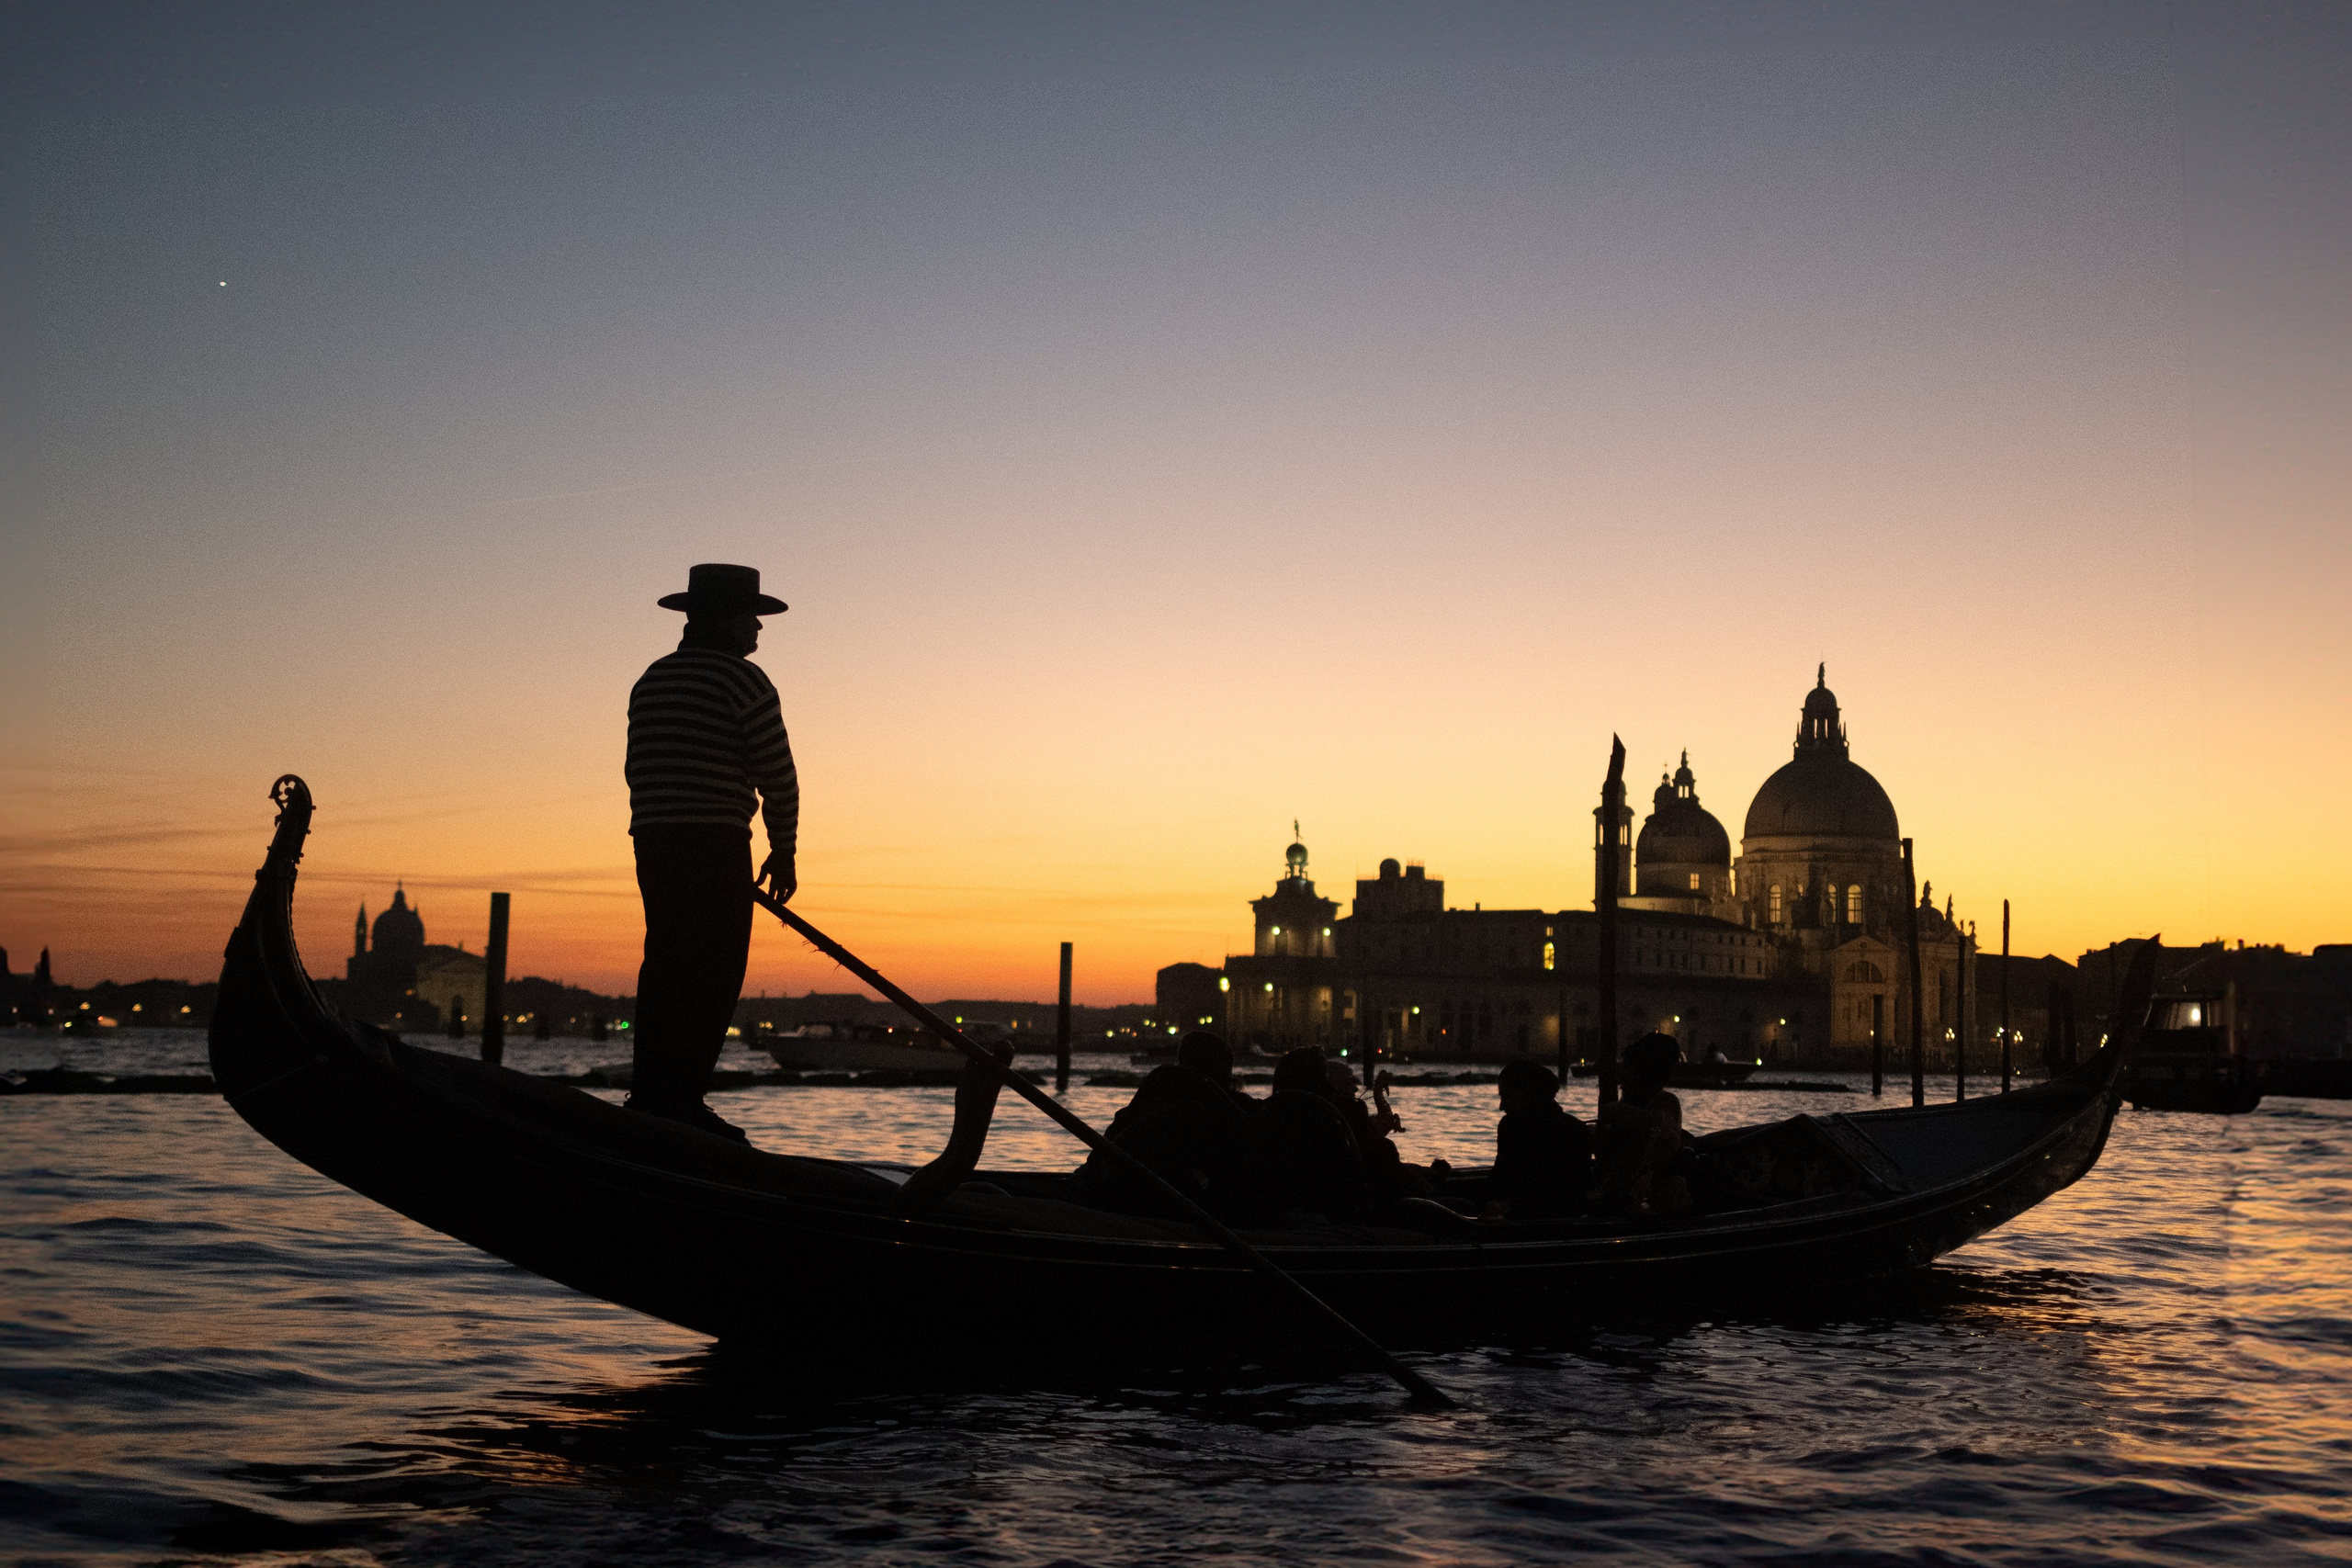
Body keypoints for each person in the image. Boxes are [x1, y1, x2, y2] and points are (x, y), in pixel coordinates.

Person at [622, 563, 798, 1142]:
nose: (758, 630)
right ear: (723, 618)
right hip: (716, 839)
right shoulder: (745, 681)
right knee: (716, 970)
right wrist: (785, 850)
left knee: (667, 961)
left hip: (653, 839)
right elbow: (778, 776)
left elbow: (639, 768)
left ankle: (649, 1094)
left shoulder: (652, 679)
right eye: (751, 617)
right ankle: (682, 1102)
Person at [1077, 1031, 1255, 1214]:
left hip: (1136, 1194)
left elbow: (1111, 1140)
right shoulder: (1176, 1092)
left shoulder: (1164, 1085)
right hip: (1143, 1196)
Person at [1590, 1032, 1692, 1217]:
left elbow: (1658, 1125)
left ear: (1644, 1073)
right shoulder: (1627, 1105)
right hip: (1613, 1193)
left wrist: (1611, 1110)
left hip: (1651, 1201)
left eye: (1628, 1068)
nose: (1621, 1076)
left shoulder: (1665, 1102)